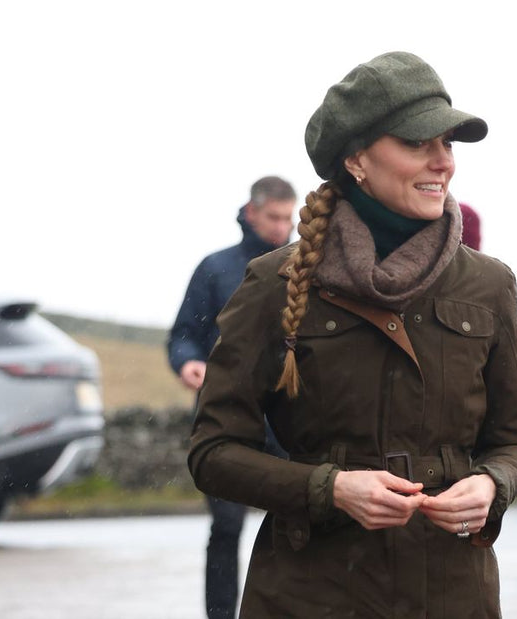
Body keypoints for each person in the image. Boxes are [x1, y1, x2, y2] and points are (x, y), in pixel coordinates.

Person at [186, 51, 517, 617]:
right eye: (418, 143)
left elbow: (515, 441)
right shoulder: (272, 283)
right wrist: (330, 490)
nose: (441, 162)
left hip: (450, 592)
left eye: (447, 144)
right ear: (356, 158)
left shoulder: (488, 284)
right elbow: (213, 453)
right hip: (310, 592)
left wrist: (493, 484)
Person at [168, 175, 296, 619]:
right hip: (224, 415)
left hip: (289, 417)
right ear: (252, 211)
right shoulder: (215, 268)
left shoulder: (304, 268)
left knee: (297, 518)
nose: (281, 227)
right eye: (274, 217)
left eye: (288, 218)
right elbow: (183, 334)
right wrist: (187, 362)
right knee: (225, 526)